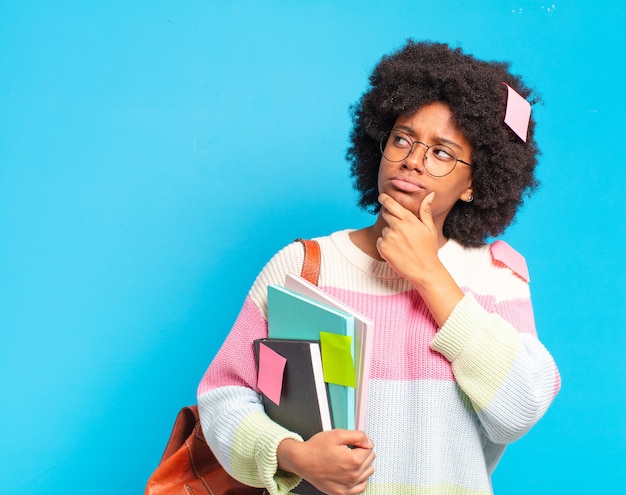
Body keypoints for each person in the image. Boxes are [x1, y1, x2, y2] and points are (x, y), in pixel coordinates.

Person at [197, 40, 561, 495]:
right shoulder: (304, 267)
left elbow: (519, 410)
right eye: (403, 139)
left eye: (442, 152)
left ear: (473, 183)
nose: (413, 159)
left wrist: (429, 273)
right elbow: (223, 397)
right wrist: (291, 455)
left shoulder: (495, 276)